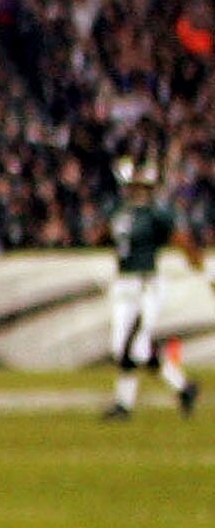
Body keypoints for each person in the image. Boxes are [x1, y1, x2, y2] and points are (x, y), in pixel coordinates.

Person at [101, 157, 199, 419]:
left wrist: (202, 268)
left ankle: (124, 405)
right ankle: (183, 387)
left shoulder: (157, 213)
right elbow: (103, 237)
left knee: (132, 348)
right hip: (124, 283)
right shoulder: (121, 211)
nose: (137, 189)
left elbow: (182, 240)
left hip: (145, 284)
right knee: (127, 347)